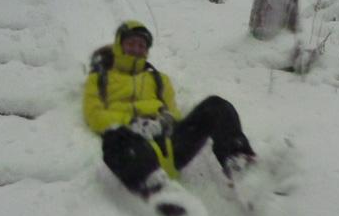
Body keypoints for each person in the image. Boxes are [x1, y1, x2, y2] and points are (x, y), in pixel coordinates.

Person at [83, 20, 256, 199]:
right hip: (132, 148)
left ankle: (242, 168)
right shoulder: (99, 79)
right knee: (113, 140)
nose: (136, 49)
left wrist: (164, 121)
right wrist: (132, 123)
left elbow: (173, 112)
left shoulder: (159, 79)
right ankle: (158, 193)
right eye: (131, 43)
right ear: (119, 45)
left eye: (141, 45)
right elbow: (93, 115)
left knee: (217, 106)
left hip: (169, 147)